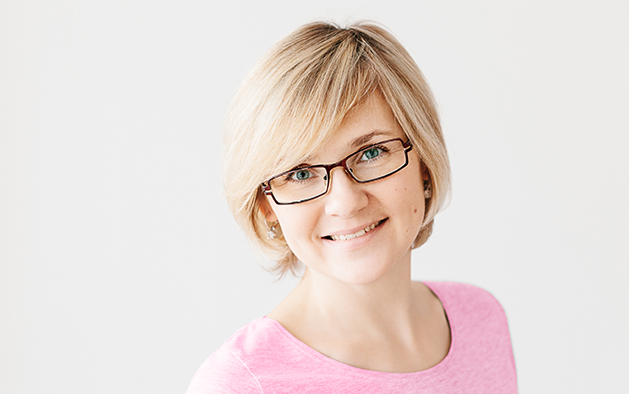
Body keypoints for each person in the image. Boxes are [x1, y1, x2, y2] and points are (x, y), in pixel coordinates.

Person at [187, 21, 517, 393]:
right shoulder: (242, 384)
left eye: (371, 153)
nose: (345, 202)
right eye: (300, 174)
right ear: (267, 207)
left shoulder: (481, 321)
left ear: (423, 162)